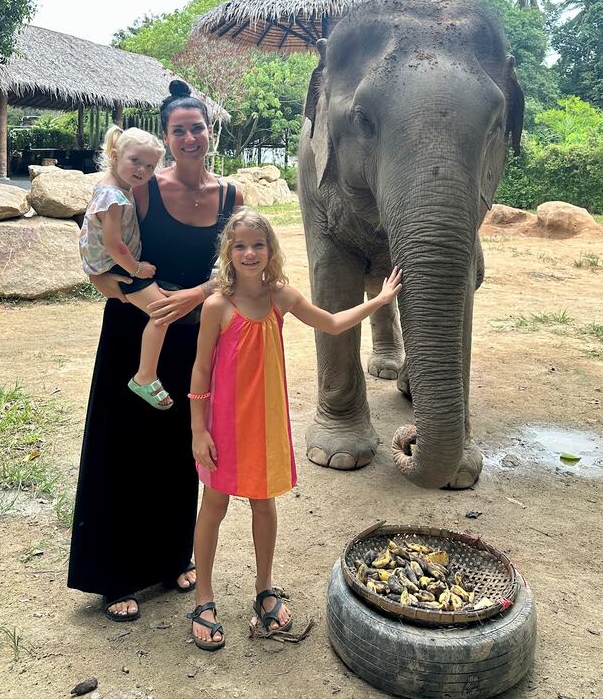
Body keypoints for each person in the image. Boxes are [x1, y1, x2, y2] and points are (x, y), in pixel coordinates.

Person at [68, 80, 243, 622]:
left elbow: (238, 268)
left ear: (209, 133)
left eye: (197, 127)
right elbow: (101, 255)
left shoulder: (232, 196)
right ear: (167, 138)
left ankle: (173, 559)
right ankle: (116, 575)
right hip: (135, 335)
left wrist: (190, 296)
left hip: (196, 339)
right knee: (124, 449)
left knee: (181, 453)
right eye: (179, 130)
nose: (189, 137)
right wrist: (135, 297)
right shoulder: (141, 188)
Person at [187, 208, 402, 650]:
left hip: (266, 425)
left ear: (270, 250)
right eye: (241, 245)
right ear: (229, 250)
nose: (250, 253)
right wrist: (197, 430)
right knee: (214, 505)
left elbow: (333, 323)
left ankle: (264, 588)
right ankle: (204, 597)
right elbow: (200, 370)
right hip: (223, 427)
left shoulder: (280, 297)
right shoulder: (216, 306)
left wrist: (379, 302)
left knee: (264, 505)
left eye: (258, 245)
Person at [79, 125, 174, 409]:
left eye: (149, 165)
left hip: (111, 264)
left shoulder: (114, 186)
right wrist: (136, 268)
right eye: (135, 161)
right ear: (115, 154)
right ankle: (145, 375)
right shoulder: (114, 197)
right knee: (163, 312)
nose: (142, 170)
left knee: (164, 304)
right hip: (117, 266)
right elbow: (113, 243)